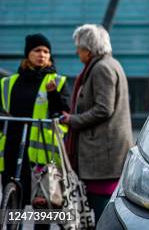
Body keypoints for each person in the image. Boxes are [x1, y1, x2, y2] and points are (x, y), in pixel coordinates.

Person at [62, 24, 133, 220]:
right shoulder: (109, 64)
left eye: (79, 47)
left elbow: (103, 108)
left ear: (89, 48)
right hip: (105, 152)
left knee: (101, 210)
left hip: (102, 154)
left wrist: (72, 120)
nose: (77, 52)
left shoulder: (101, 68)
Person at [0, 33, 70, 229]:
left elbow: (64, 114)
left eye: (46, 51)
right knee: (15, 205)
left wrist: (52, 93)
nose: (42, 55)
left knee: (44, 208)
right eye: (37, 50)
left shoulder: (57, 81)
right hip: (12, 150)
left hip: (43, 155)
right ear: (27, 54)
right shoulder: (8, 82)